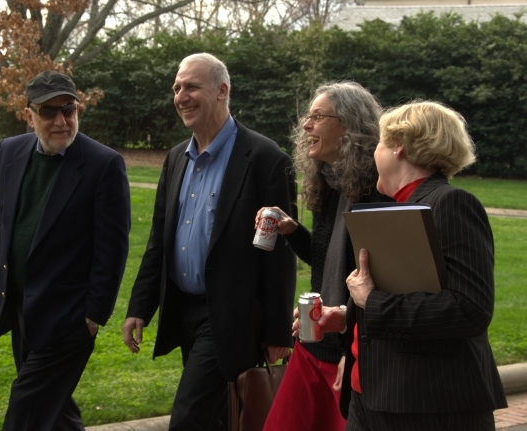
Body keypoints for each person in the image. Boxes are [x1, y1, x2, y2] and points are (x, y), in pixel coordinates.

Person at [121, 53, 297, 431]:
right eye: (177, 88)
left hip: (231, 316)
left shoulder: (265, 159)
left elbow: (279, 254)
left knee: (188, 418)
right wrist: (140, 306)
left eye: (191, 87)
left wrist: (278, 332)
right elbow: (159, 240)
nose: (181, 96)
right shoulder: (175, 160)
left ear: (222, 91)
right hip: (182, 310)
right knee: (216, 417)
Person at [0, 70, 131, 431]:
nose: (62, 120)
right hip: (20, 308)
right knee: (56, 412)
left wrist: (94, 314)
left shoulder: (103, 164)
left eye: (69, 109)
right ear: (29, 115)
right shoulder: (9, 152)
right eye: (50, 112)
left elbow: (113, 247)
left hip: (69, 318)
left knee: (27, 410)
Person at [321, 100, 507, 430]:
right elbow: (407, 286)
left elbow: (471, 309)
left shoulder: (450, 203)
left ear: (399, 148)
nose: (373, 153)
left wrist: (371, 302)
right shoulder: (399, 207)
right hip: (373, 397)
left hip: (429, 404)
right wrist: (349, 316)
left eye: (379, 143)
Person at [260, 81, 390, 431]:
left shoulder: (376, 191)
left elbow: (377, 280)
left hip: (347, 350)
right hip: (313, 342)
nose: (306, 125)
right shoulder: (329, 182)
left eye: (318, 117)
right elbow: (325, 261)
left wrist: (353, 351)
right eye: (308, 116)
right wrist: (291, 231)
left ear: (348, 125)